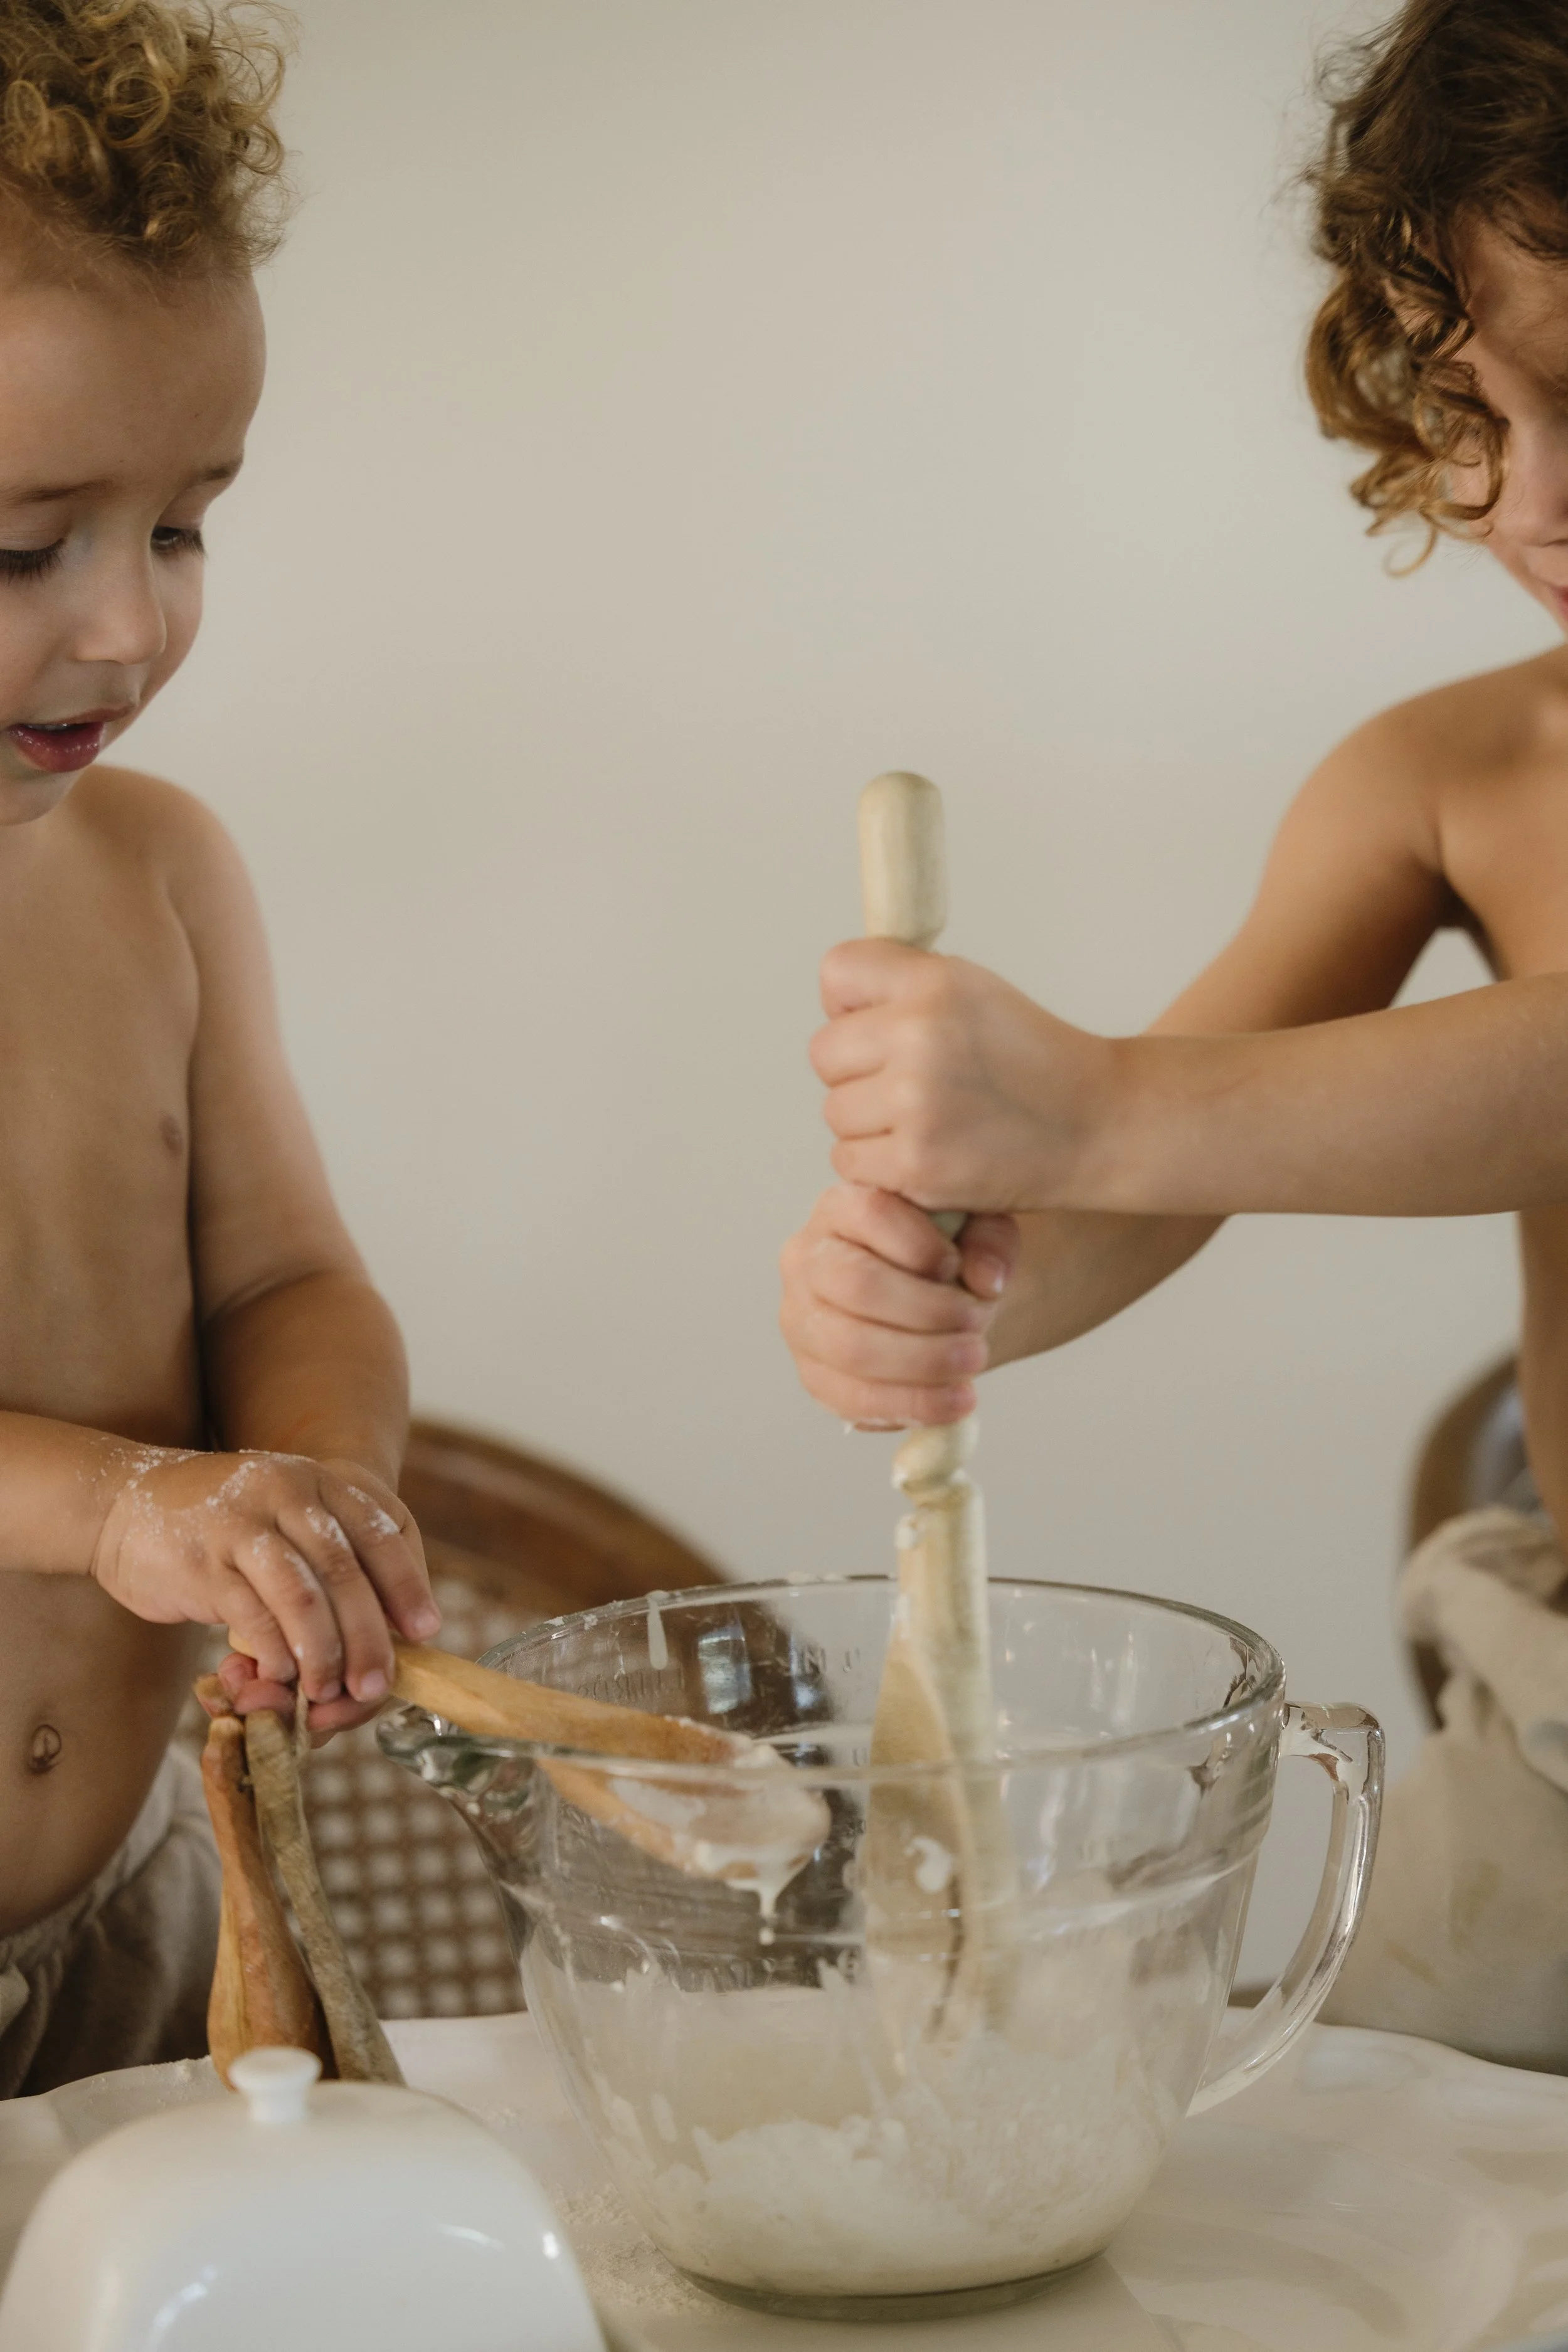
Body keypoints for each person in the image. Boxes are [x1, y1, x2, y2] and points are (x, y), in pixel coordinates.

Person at [780, 0, 1568, 1547]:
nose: (1530, 501)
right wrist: (937, 1294)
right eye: (1476, 407)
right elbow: (1127, 1194)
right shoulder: (1441, 779)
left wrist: (1093, 1103)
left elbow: (1145, 1117)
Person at [0, 0, 438, 2097]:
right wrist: (119, 1509)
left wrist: (311, 1497)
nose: (125, 626)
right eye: (25, 544)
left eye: (184, 524)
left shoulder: (158, 876)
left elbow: (287, 1279)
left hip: (145, 1916)